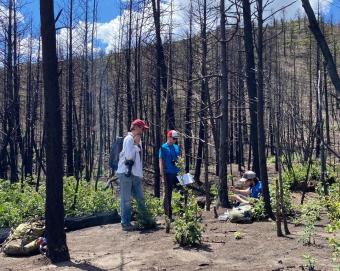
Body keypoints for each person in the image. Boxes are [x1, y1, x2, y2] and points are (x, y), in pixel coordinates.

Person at [116, 119, 149, 231]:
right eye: (141, 128)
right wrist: (135, 144)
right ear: (135, 127)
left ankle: (146, 220)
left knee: (140, 198)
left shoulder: (137, 140)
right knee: (125, 200)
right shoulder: (129, 139)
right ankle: (125, 223)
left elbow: (139, 159)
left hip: (135, 174)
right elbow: (129, 156)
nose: (143, 131)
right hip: (126, 173)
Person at [159, 130, 181, 219]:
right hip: (167, 173)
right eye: (173, 138)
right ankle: (168, 215)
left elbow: (179, 159)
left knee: (184, 190)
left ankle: (182, 212)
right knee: (168, 194)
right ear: (169, 137)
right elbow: (160, 162)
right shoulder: (163, 147)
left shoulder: (177, 147)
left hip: (177, 173)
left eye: (176, 139)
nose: (175, 140)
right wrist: (162, 176)